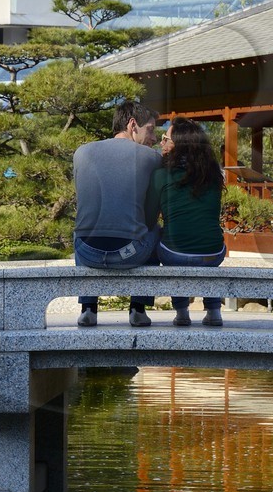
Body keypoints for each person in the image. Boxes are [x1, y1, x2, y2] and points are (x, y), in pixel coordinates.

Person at [73, 100, 161, 328]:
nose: (153, 139)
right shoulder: (151, 157)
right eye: (150, 130)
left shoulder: (81, 152)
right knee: (154, 229)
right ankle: (138, 309)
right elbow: (151, 213)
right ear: (133, 124)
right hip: (128, 254)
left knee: (81, 228)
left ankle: (88, 309)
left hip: (87, 252)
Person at [153, 118, 226, 327]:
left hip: (174, 254)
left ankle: (182, 311)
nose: (161, 143)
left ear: (178, 145)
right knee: (202, 249)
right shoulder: (213, 175)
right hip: (214, 254)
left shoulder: (161, 175)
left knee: (164, 237)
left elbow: (150, 217)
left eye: (165, 138)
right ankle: (214, 311)